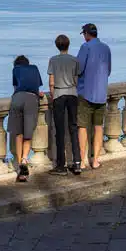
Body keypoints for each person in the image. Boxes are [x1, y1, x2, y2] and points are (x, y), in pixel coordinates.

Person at [76, 23, 112, 169]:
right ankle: (96, 160)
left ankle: (83, 161)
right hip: (101, 94)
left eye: (84, 34)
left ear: (86, 34)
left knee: (82, 126)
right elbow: (108, 70)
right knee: (98, 127)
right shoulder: (106, 48)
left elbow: (78, 69)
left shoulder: (86, 47)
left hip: (86, 93)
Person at [47, 34, 81, 175]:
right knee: (73, 128)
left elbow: (51, 82)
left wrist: (53, 95)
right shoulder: (74, 60)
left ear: (57, 46)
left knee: (59, 130)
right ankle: (77, 162)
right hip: (72, 94)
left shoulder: (53, 60)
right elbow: (76, 79)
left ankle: (61, 165)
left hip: (59, 95)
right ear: (68, 45)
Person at [8, 55, 43, 182]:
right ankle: (24, 159)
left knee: (18, 133)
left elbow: (16, 88)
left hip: (17, 99)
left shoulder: (15, 69)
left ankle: (19, 166)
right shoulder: (34, 68)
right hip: (31, 99)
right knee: (28, 133)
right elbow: (36, 87)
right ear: (28, 63)